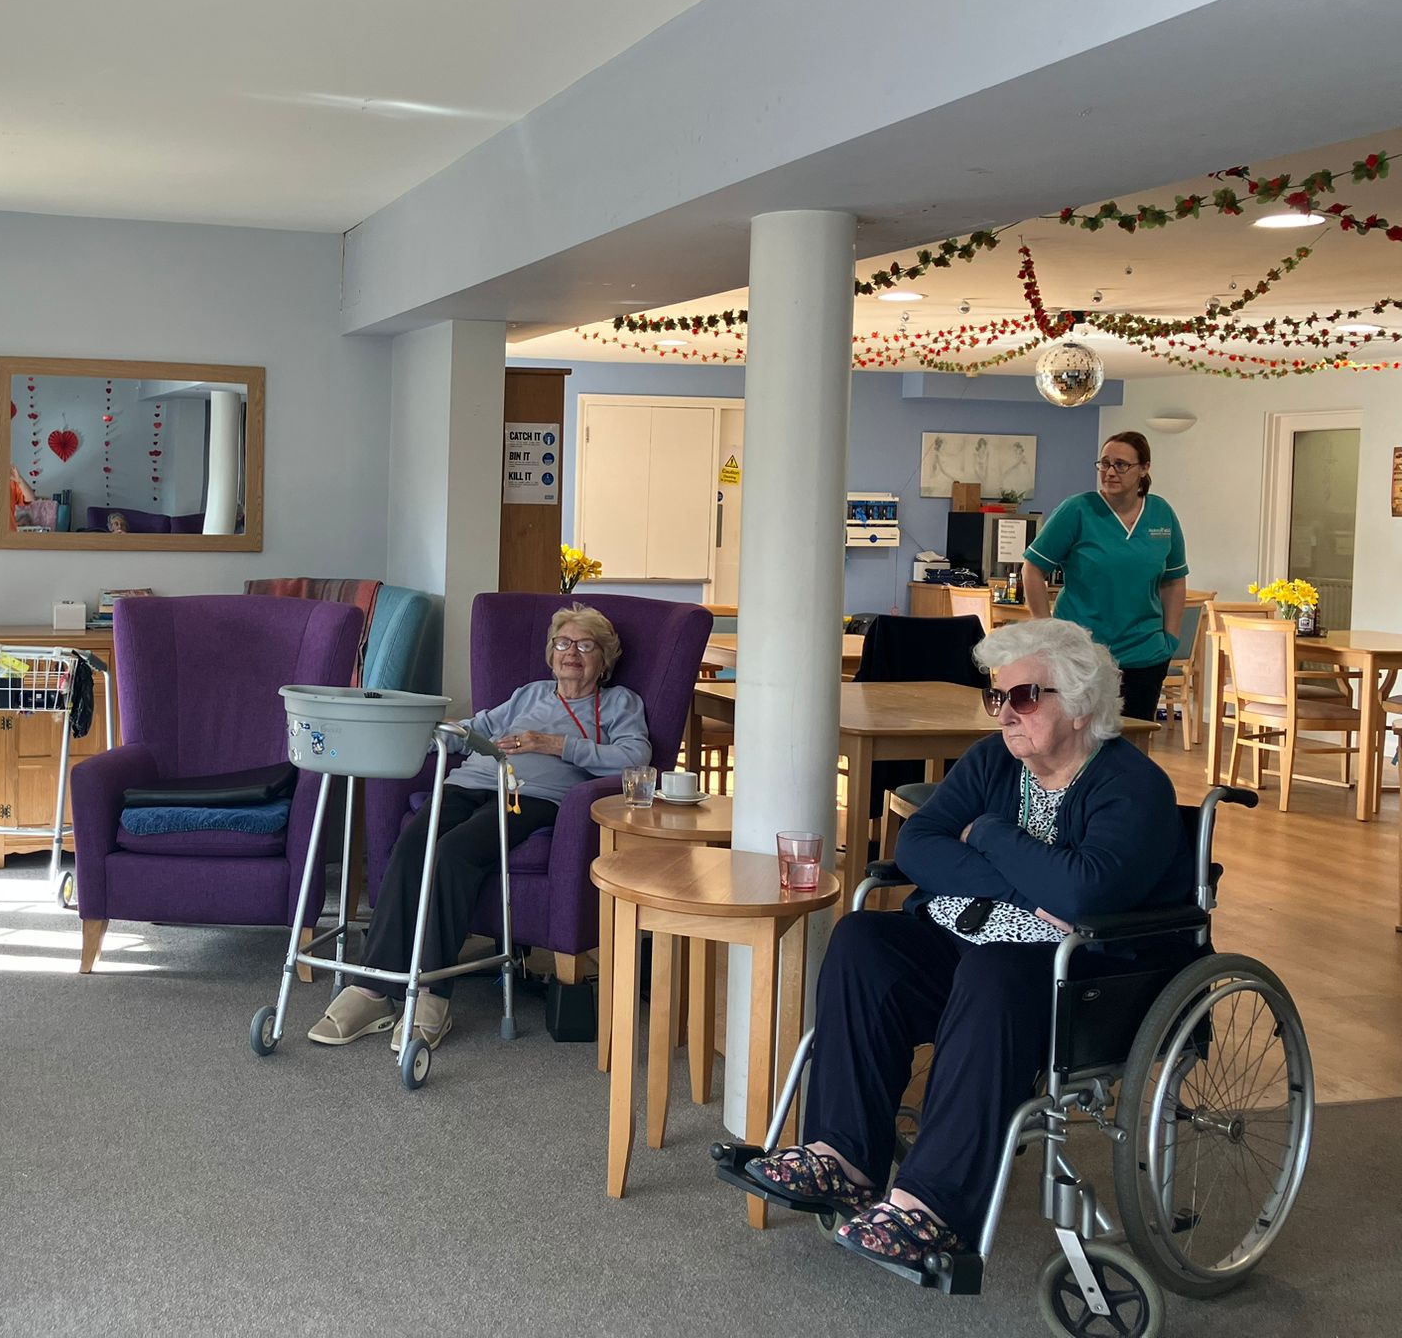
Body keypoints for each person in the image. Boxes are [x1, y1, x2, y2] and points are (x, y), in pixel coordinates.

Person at [742, 618, 1182, 1270]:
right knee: (863, 939)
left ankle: (932, 1207)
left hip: (1077, 979)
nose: (1004, 713)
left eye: (1024, 696)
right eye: (996, 696)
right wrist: (1028, 885)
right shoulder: (990, 761)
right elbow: (918, 847)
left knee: (993, 973)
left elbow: (1084, 895)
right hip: (966, 941)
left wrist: (991, 835)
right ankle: (843, 1157)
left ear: (1081, 704)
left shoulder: (1132, 785)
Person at [308, 604, 650, 1052]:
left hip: (530, 796)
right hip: (470, 782)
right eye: (563, 643)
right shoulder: (529, 694)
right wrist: (419, 733)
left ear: (604, 659)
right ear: (551, 653)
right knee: (411, 846)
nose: (572, 653)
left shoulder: (620, 702)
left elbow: (635, 758)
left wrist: (555, 744)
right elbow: (478, 728)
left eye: (586, 646)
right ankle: (373, 988)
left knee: (454, 852)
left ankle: (431, 993)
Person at [1021, 429, 1189, 721]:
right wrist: (1046, 629)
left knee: (1135, 739)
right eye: (1105, 463)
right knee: (1079, 736)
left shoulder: (1161, 513)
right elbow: (1033, 568)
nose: (1110, 472)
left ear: (1144, 469)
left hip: (1145, 655)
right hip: (1082, 654)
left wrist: (1170, 639)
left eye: (1121, 465)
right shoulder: (1077, 510)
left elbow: (1173, 580)